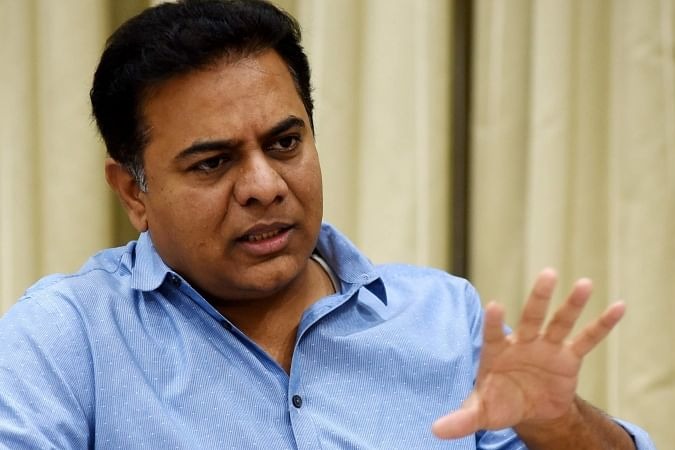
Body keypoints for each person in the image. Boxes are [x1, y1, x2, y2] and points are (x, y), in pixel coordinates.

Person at [0, 1, 655, 449]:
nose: (263, 186)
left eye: (284, 143)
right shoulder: (68, 340)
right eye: (214, 162)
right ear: (132, 191)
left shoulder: (444, 320)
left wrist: (557, 424)